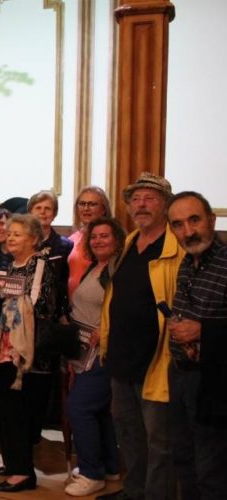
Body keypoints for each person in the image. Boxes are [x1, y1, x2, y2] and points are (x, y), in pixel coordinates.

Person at [98, 172, 183, 500]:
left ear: (165, 204)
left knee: (159, 444)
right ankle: (133, 492)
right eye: (136, 199)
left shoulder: (177, 248)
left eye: (150, 198)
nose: (141, 204)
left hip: (158, 361)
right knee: (129, 437)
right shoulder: (132, 241)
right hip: (121, 359)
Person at [0, 213, 56, 493]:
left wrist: (14, 300)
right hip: (3, 347)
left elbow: (44, 308)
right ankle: (12, 461)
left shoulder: (40, 265)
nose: (10, 236)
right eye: (10, 232)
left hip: (27, 352)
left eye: (17, 233)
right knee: (4, 408)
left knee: (20, 413)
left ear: (34, 239)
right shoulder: (9, 265)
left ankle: (23, 473)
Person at [166, 191, 227, 500]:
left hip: (213, 384)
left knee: (211, 472)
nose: (188, 232)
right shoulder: (187, 264)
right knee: (184, 462)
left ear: (212, 220)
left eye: (194, 220)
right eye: (178, 225)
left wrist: (203, 331)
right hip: (180, 375)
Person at [64, 217, 124, 496]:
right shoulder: (93, 267)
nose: (99, 240)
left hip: (104, 352)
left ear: (118, 240)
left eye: (105, 236)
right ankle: (110, 466)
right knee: (99, 412)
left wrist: (107, 329)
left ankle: (91, 473)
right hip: (84, 350)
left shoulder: (119, 269)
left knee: (80, 408)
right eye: (95, 237)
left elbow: (126, 308)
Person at [28, 190, 72, 317]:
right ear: (31, 213)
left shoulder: (65, 245)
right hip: (25, 310)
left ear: (54, 214)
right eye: (38, 208)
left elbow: (65, 281)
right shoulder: (22, 242)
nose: (42, 212)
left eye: (48, 208)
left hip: (53, 311)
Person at [67, 186, 111, 299]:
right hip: (73, 308)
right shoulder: (73, 238)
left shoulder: (111, 238)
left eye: (92, 204)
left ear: (103, 209)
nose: (86, 208)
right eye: (82, 204)